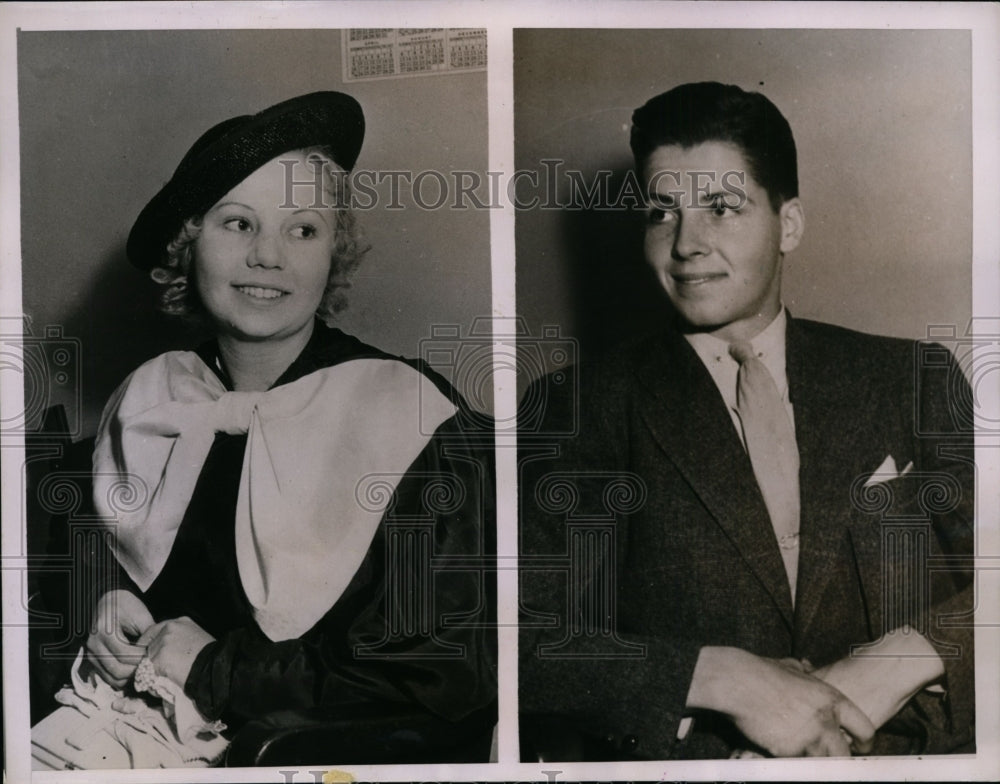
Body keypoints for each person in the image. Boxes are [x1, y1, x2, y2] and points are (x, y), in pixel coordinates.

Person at [518, 82, 975, 760]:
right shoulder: (574, 410)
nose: (686, 245)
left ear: (788, 224)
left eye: (722, 208)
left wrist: (901, 660)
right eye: (661, 212)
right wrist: (721, 678)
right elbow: (516, 639)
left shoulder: (912, 377)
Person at [81, 92, 496, 761]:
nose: (269, 257)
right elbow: (83, 524)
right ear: (187, 249)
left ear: (335, 251)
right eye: (238, 224)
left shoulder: (415, 416)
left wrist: (217, 669)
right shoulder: (156, 395)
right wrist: (102, 595)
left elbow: (444, 677)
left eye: (302, 229)